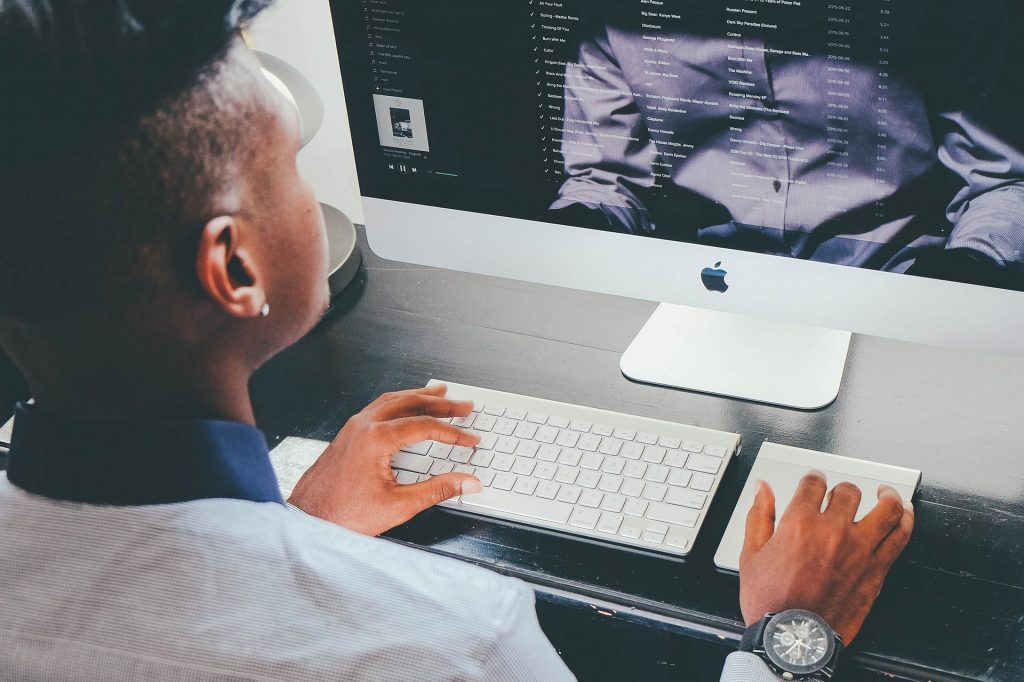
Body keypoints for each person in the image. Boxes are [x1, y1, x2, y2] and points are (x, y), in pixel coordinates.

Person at [0, 1, 914, 680]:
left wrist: (300, 529)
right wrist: (790, 640)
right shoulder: (449, 645)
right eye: (288, 166)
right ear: (233, 269)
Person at [550, 0, 1024, 288]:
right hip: (710, 287)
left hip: (898, 285)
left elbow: (1002, 182)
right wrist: (561, 233)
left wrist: (962, 278)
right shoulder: (617, 13)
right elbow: (604, 180)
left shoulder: (942, 10)